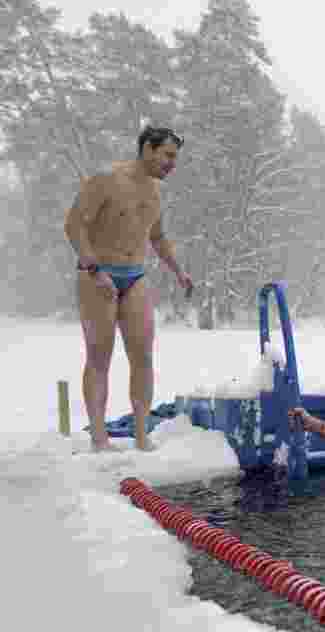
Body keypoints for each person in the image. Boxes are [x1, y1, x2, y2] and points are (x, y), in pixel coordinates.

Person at [64, 126, 193, 452]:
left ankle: (140, 435)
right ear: (147, 149)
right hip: (97, 274)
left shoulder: (154, 191)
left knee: (144, 355)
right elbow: (74, 225)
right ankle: (99, 438)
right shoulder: (107, 179)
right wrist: (94, 268)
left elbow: (157, 237)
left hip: (135, 276)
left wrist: (179, 271)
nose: (172, 164)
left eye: (175, 158)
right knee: (99, 356)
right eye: (167, 155)